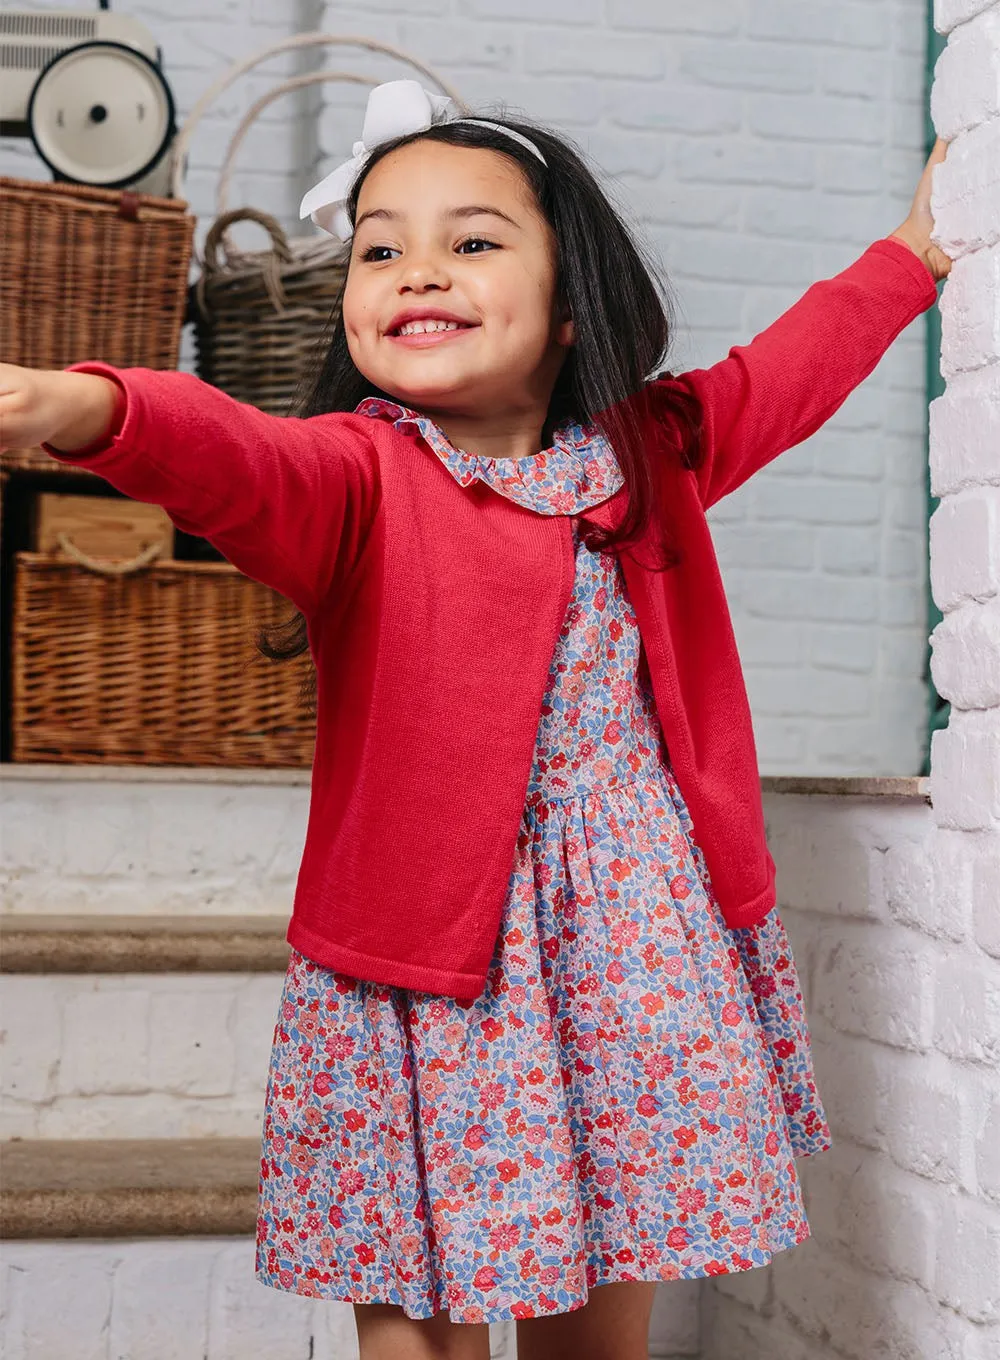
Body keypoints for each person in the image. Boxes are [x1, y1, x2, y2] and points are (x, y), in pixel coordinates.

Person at [0, 79, 950, 1360]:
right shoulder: (355, 473)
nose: (415, 270)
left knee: (608, 1272)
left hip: (630, 942)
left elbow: (786, 371)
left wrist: (912, 255)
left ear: (571, 308)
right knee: (416, 1291)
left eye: (472, 240)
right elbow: (233, 451)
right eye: (379, 245)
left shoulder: (649, 453)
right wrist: (92, 407)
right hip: (420, 959)